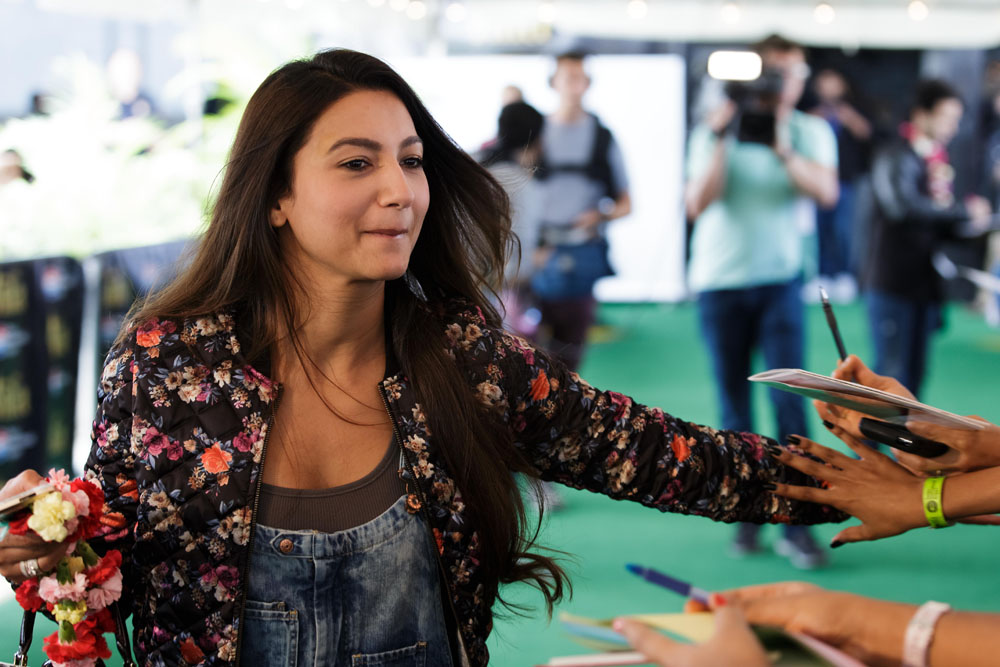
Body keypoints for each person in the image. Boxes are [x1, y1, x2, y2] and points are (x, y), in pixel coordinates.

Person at [0, 50, 843, 667]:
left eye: (410, 161)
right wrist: (44, 537)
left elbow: (663, 455)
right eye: (357, 163)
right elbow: (100, 539)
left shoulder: (463, 358)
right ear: (277, 195)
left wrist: (859, 484)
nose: (399, 190)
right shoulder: (163, 363)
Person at [685, 34, 839, 569]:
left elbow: (826, 193)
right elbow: (696, 202)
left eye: (794, 73)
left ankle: (798, 522)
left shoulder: (809, 131)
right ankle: (747, 513)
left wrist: (783, 146)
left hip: (779, 281)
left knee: (790, 403)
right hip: (719, 281)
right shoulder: (714, 129)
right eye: (776, 73)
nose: (784, 83)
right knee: (735, 407)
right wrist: (722, 136)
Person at [867, 79, 993, 398]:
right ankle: (870, 436)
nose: (953, 127)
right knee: (889, 383)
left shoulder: (935, 159)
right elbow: (902, 207)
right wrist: (963, 213)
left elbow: (936, 222)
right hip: (894, 284)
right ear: (921, 114)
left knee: (914, 383)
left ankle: (905, 435)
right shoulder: (896, 154)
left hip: (925, 287)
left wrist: (978, 226)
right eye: (946, 117)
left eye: (956, 119)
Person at [531, 50, 632, 372]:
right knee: (525, 348)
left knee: (570, 352)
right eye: (568, 77)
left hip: (582, 253)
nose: (575, 85)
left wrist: (599, 216)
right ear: (553, 82)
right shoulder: (535, 134)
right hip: (534, 254)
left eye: (581, 78)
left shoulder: (602, 137)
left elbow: (626, 203)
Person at [478, 100, 545, 338]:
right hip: (491, 291)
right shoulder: (520, 183)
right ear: (537, 139)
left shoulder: (471, 165)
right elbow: (520, 255)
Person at [809, 69, 873, 302]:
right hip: (817, 181)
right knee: (821, 230)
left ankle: (845, 276)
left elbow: (868, 134)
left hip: (845, 181)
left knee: (844, 230)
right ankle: (823, 276)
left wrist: (850, 118)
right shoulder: (812, 110)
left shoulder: (854, 108)